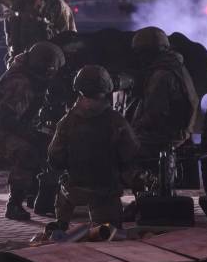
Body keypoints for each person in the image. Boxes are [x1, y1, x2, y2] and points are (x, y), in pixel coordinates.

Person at [0, 41, 65, 221]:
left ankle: (37, 197)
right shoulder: (20, 82)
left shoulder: (29, 76)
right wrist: (34, 136)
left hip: (12, 126)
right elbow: (7, 120)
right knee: (28, 154)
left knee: (50, 145)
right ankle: (14, 204)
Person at [47, 65, 140, 230]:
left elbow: (55, 156)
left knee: (64, 188)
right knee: (108, 233)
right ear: (107, 87)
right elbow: (131, 152)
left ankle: (62, 222)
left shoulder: (66, 121)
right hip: (105, 191)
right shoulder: (116, 120)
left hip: (74, 189)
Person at [127, 26, 200, 164]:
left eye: (142, 53)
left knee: (119, 143)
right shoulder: (175, 65)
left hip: (166, 134)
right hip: (179, 129)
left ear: (150, 52)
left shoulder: (161, 76)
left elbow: (155, 113)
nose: (140, 58)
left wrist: (130, 128)